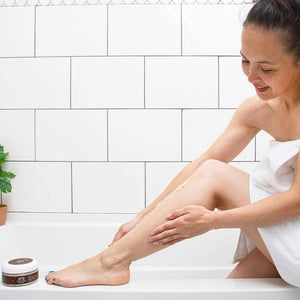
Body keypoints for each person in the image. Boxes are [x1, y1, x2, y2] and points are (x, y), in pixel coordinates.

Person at [45, 0, 300, 288]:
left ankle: (110, 262)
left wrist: (213, 220)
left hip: (293, 224)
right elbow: (200, 166)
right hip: (287, 231)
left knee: (216, 174)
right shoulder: (256, 110)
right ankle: (113, 259)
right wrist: (145, 216)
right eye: (245, 60)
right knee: (232, 290)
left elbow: (295, 201)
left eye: (266, 68)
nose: (252, 76)